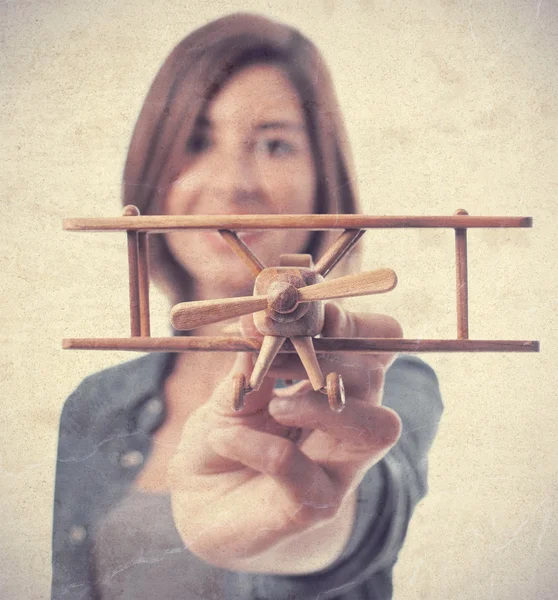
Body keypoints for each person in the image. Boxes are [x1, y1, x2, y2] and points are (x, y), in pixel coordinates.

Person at [52, 13, 443, 600]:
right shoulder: (93, 406)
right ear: (152, 173)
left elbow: (361, 518)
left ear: (323, 180)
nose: (233, 186)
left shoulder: (381, 379)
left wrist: (297, 519)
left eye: (274, 143)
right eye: (196, 142)